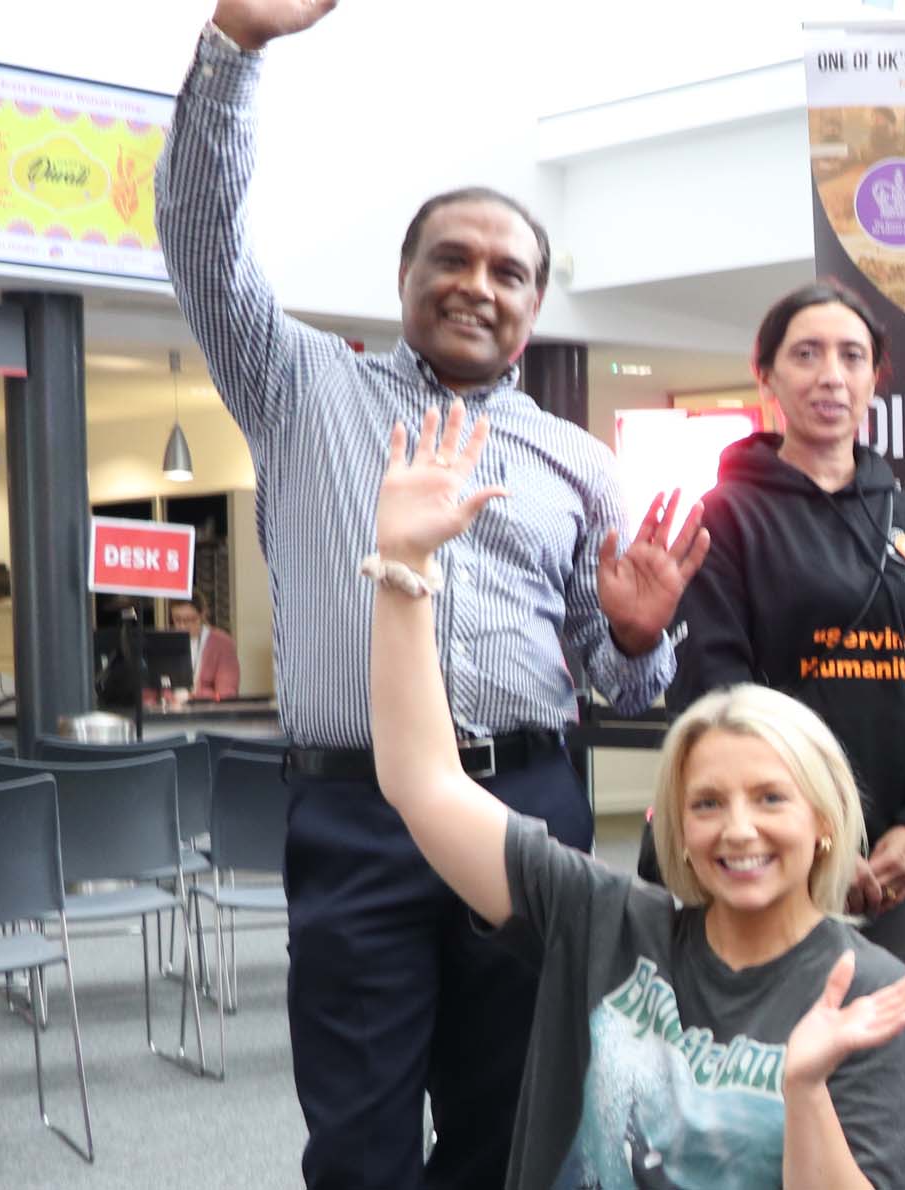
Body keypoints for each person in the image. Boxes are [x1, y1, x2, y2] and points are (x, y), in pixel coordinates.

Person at [158, 4, 705, 1184]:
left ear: (535, 305)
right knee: (358, 1140)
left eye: (508, 271)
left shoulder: (577, 461)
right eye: (449, 259)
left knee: (511, 1119)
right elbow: (200, 235)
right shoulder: (301, 388)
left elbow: (619, 682)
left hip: (529, 808)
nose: (477, 284)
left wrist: (630, 633)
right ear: (402, 277)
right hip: (357, 814)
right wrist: (233, 51)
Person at [365, 402, 905, 1188]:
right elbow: (421, 782)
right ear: (674, 825)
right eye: (707, 804)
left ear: (825, 824)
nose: (738, 830)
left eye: (771, 799)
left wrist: (805, 1091)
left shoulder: (865, 991)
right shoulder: (605, 922)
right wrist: (403, 569)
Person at [658, 280, 905, 968]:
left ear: (876, 376)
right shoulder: (724, 519)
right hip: (769, 852)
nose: (831, 377)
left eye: (851, 356)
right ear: (768, 375)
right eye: (806, 355)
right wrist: (816, 837)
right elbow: (716, 699)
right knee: (768, 1053)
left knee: (897, 1048)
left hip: (898, 867)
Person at [173, 600, 241, 701]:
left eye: (190, 620)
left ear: (202, 615)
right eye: (177, 620)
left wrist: (193, 696)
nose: (183, 626)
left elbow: (227, 692)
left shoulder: (222, 643)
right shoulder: (169, 641)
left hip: (207, 710)